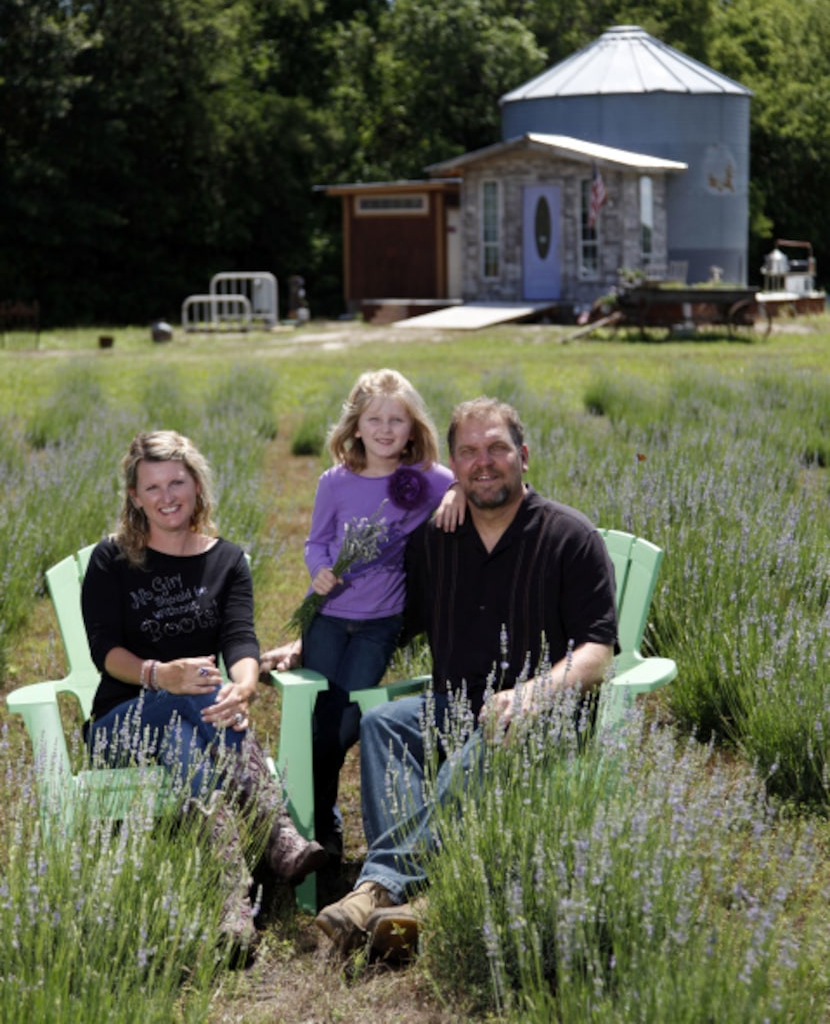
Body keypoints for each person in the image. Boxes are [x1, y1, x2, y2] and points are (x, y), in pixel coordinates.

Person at [313, 397, 618, 958]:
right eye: (469, 452)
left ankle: (382, 888)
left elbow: (597, 650)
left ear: (523, 455)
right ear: (453, 467)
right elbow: (398, 620)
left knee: (493, 732)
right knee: (384, 724)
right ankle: (417, 900)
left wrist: (535, 691)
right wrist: (309, 637)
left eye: (497, 447)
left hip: (542, 715)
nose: (485, 462)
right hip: (456, 705)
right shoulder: (436, 541)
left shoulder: (569, 536)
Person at [81, 430, 327, 952]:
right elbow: (103, 650)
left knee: (185, 732)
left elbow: (240, 637)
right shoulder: (111, 561)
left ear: (197, 486)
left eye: (177, 482)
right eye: (152, 487)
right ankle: (274, 825)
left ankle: (230, 900)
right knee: (191, 687)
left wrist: (243, 686)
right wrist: (159, 675)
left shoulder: (227, 560)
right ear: (134, 496)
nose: (167, 496)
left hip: (194, 722)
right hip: (120, 722)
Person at [259, 368, 464, 863]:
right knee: (322, 718)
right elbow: (316, 540)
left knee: (347, 719)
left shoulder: (424, 481)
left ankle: (304, 813)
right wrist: (319, 570)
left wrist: (455, 493)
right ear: (356, 427)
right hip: (328, 617)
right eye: (375, 419)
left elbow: (464, 481)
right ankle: (323, 824)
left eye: (398, 420)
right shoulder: (336, 482)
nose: (386, 429)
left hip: (381, 621)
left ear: (413, 429)